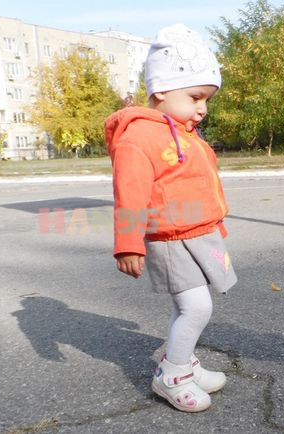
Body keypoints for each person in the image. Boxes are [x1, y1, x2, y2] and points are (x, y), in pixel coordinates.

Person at [105, 24, 238, 412]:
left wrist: (216, 222)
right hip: (170, 238)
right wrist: (128, 244)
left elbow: (202, 184)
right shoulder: (139, 138)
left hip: (198, 233)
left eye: (207, 99)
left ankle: (183, 363)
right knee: (197, 307)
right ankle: (172, 375)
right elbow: (129, 194)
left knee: (190, 307)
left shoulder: (185, 134)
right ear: (161, 89)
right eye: (196, 96)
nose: (203, 108)